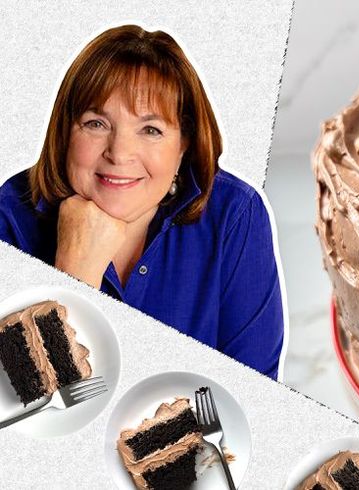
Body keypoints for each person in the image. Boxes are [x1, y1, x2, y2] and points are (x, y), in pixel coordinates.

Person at [0, 25, 284, 380]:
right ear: (65, 132)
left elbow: (254, 396)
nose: (119, 153)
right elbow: (15, 410)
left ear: (184, 145)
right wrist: (73, 277)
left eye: (151, 130)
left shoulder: (234, 215)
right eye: (96, 123)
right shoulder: (10, 216)